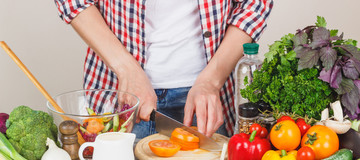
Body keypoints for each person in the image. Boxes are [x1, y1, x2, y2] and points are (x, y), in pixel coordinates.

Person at [54, 0, 273, 139]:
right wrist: (126, 69)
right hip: (121, 100)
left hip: (209, 102)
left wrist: (211, 80)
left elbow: (255, 4)